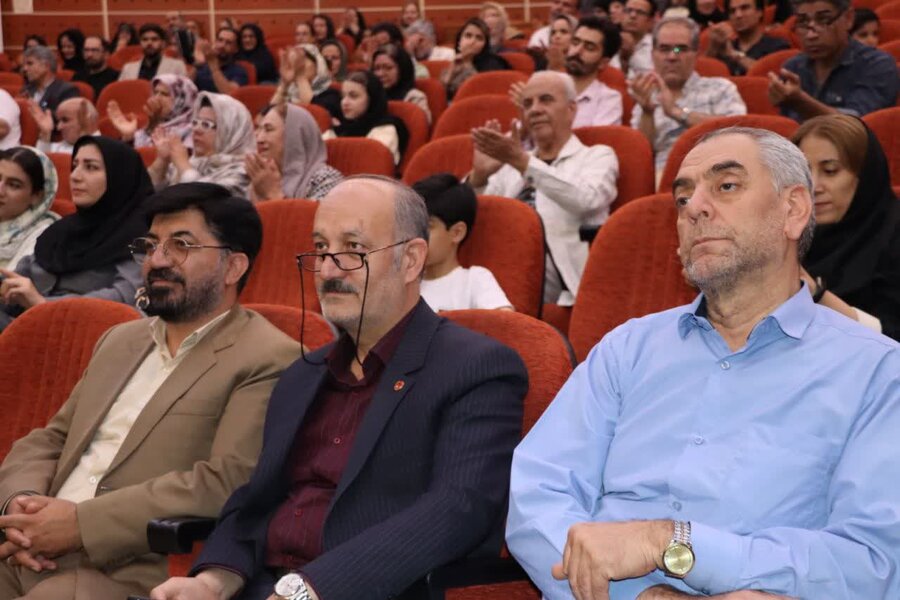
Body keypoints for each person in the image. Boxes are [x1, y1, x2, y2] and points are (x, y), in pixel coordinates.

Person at [506, 126, 900, 599]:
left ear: (794, 209)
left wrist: (669, 542)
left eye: (726, 185)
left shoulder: (877, 371)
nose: (694, 207)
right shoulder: (626, 349)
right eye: (682, 198)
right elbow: (536, 495)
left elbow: (873, 561)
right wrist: (645, 596)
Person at [149, 175, 528, 600]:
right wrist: (212, 582)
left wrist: (309, 589)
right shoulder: (303, 374)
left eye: (353, 249)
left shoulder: (475, 368)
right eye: (321, 248)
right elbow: (257, 500)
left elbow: (458, 509)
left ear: (410, 260)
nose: (328, 270)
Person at [0, 182, 301, 599]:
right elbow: (51, 438)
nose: (157, 260)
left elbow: (224, 481)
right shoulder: (119, 340)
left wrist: (80, 525)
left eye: (181, 245)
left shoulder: (269, 357)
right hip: (28, 547)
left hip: (129, 569)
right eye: (151, 244)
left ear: (233, 267)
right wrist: (22, 505)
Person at [469, 71, 618, 305]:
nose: (534, 110)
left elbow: (586, 200)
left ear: (571, 109)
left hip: (557, 272)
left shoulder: (598, 156)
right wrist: (479, 178)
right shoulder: (510, 164)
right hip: (500, 258)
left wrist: (523, 162)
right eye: (527, 104)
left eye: (546, 100)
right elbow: (477, 221)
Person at [0, 137, 150, 331]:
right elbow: (19, 279)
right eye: (74, 166)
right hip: (24, 328)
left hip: (86, 337)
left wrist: (44, 305)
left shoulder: (141, 236)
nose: (75, 176)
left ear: (119, 177)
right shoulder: (62, 230)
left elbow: (127, 298)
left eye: (91, 167)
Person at [792, 114, 900, 340]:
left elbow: (892, 336)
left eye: (830, 170)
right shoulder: (787, 232)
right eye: (804, 172)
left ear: (865, 175)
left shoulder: (893, 234)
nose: (814, 186)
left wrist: (816, 294)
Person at [630, 17, 747, 180]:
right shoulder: (646, 95)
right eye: (664, 49)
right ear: (653, 54)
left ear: (696, 54)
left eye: (681, 49)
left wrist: (676, 112)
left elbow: (738, 133)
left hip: (715, 173)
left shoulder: (720, 88)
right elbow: (641, 156)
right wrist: (647, 113)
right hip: (664, 178)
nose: (672, 56)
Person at [770, 0, 898, 122]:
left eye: (823, 20)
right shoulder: (793, 67)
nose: (811, 35)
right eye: (803, 22)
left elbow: (856, 126)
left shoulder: (878, 64)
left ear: (848, 18)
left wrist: (801, 102)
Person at [414, 173, 512, 311]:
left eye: (428, 226)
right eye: (413, 225)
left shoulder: (474, 280)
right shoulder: (404, 282)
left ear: (457, 233)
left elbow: (504, 320)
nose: (415, 235)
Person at [149, 92, 255, 198]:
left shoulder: (243, 172)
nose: (196, 129)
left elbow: (207, 199)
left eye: (206, 124)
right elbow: (149, 194)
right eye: (195, 122)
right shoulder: (191, 162)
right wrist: (162, 161)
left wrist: (184, 167)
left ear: (230, 132)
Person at [247, 103, 344, 202]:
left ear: (294, 136)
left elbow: (316, 213)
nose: (259, 139)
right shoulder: (262, 177)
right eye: (259, 130)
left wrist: (273, 194)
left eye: (268, 130)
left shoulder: (326, 179)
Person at [324, 71, 410, 167]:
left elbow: (374, 166)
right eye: (343, 96)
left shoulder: (385, 130)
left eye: (353, 96)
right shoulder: (340, 128)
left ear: (371, 99)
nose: (344, 102)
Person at [0, 147, 59, 271]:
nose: (1, 191)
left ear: (37, 196)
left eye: (13, 185)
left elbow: (11, 280)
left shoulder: (43, 236)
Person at [107, 74, 199, 149]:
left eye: (164, 94)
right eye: (155, 93)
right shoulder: (148, 127)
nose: (156, 98)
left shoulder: (194, 132)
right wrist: (129, 138)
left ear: (182, 100)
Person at [705, 0, 791, 76]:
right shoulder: (726, 47)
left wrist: (735, 55)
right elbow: (705, 76)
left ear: (759, 12)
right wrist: (713, 47)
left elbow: (771, 76)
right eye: (732, 11)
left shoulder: (778, 46)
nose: (738, 15)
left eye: (744, 8)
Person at [566, 16, 624, 126]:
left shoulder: (608, 99)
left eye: (589, 48)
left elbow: (597, 138)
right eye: (575, 42)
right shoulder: (548, 86)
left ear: (603, 62)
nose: (577, 51)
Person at [440, 18, 510, 100]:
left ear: (485, 45)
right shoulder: (453, 64)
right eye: (468, 36)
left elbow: (481, 92)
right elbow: (441, 97)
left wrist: (468, 63)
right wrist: (451, 71)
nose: (472, 41)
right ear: (459, 41)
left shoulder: (494, 64)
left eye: (479, 38)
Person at [271, 44, 342, 120]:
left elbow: (313, 116)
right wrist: (284, 83)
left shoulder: (332, 95)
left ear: (317, 64)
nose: (296, 67)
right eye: (293, 63)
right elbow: (267, 117)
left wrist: (301, 77)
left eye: (301, 62)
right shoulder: (290, 93)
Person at [372, 44, 432, 124]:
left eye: (388, 68)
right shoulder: (369, 97)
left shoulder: (414, 97)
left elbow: (422, 126)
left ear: (402, 69)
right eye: (376, 68)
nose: (380, 74)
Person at [19, 46, 80, 120]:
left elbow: (65, 118)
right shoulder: (26, 90)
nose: (25, 69)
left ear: (46, 66)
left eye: (30, 63)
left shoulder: (67, 90)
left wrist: (35, 109)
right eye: (24, 65)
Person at [32, 97, 100, 155]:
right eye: (58, 121)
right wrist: (45, 134)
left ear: (86, 120)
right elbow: (40, 164)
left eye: (65, 120)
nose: (59, 127)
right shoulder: (57, 146)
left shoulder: (101, 150)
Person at [119, 23, 188, 80]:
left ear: (163, 43)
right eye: (145, 39)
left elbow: (183, 91)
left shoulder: (177, 66)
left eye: (154, 39)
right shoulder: (128, 68)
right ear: (140, 43)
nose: (149, 43)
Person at [194, 27, 249, 94]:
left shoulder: (239, 71)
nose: (222, 45)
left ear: (236, 49)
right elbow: (185, 87)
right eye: (220, 40)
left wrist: (213, 66)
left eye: (228, 43)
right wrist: (196, 63)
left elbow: (230, 93)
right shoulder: (203, 65)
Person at [610, 0, 657, 78]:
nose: (632, 15)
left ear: (650, 21)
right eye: (628, 11)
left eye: (640, 12)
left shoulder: (656, 47)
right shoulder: (608, 43)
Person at [73, 35, 121, 99]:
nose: (89, 55)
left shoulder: (116, 78)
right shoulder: (78, 77)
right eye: (86, 50)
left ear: (106, 54)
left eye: (94, 50)